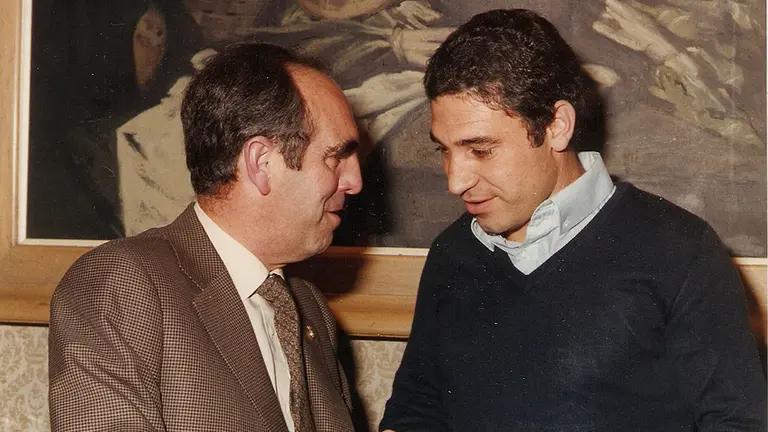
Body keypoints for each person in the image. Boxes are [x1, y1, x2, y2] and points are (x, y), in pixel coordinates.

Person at [380, 9, 766, 431]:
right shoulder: (451, 254)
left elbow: (738, 423)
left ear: (557, 127)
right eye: (444, 150)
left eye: (481, 150)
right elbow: (415, 412)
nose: (455, 181)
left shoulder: (680, 249)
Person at [48, 42, 362, 432]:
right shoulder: (122, 285)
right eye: (336, 156)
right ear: (261, 162)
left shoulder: (309, 307)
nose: (355, 181)